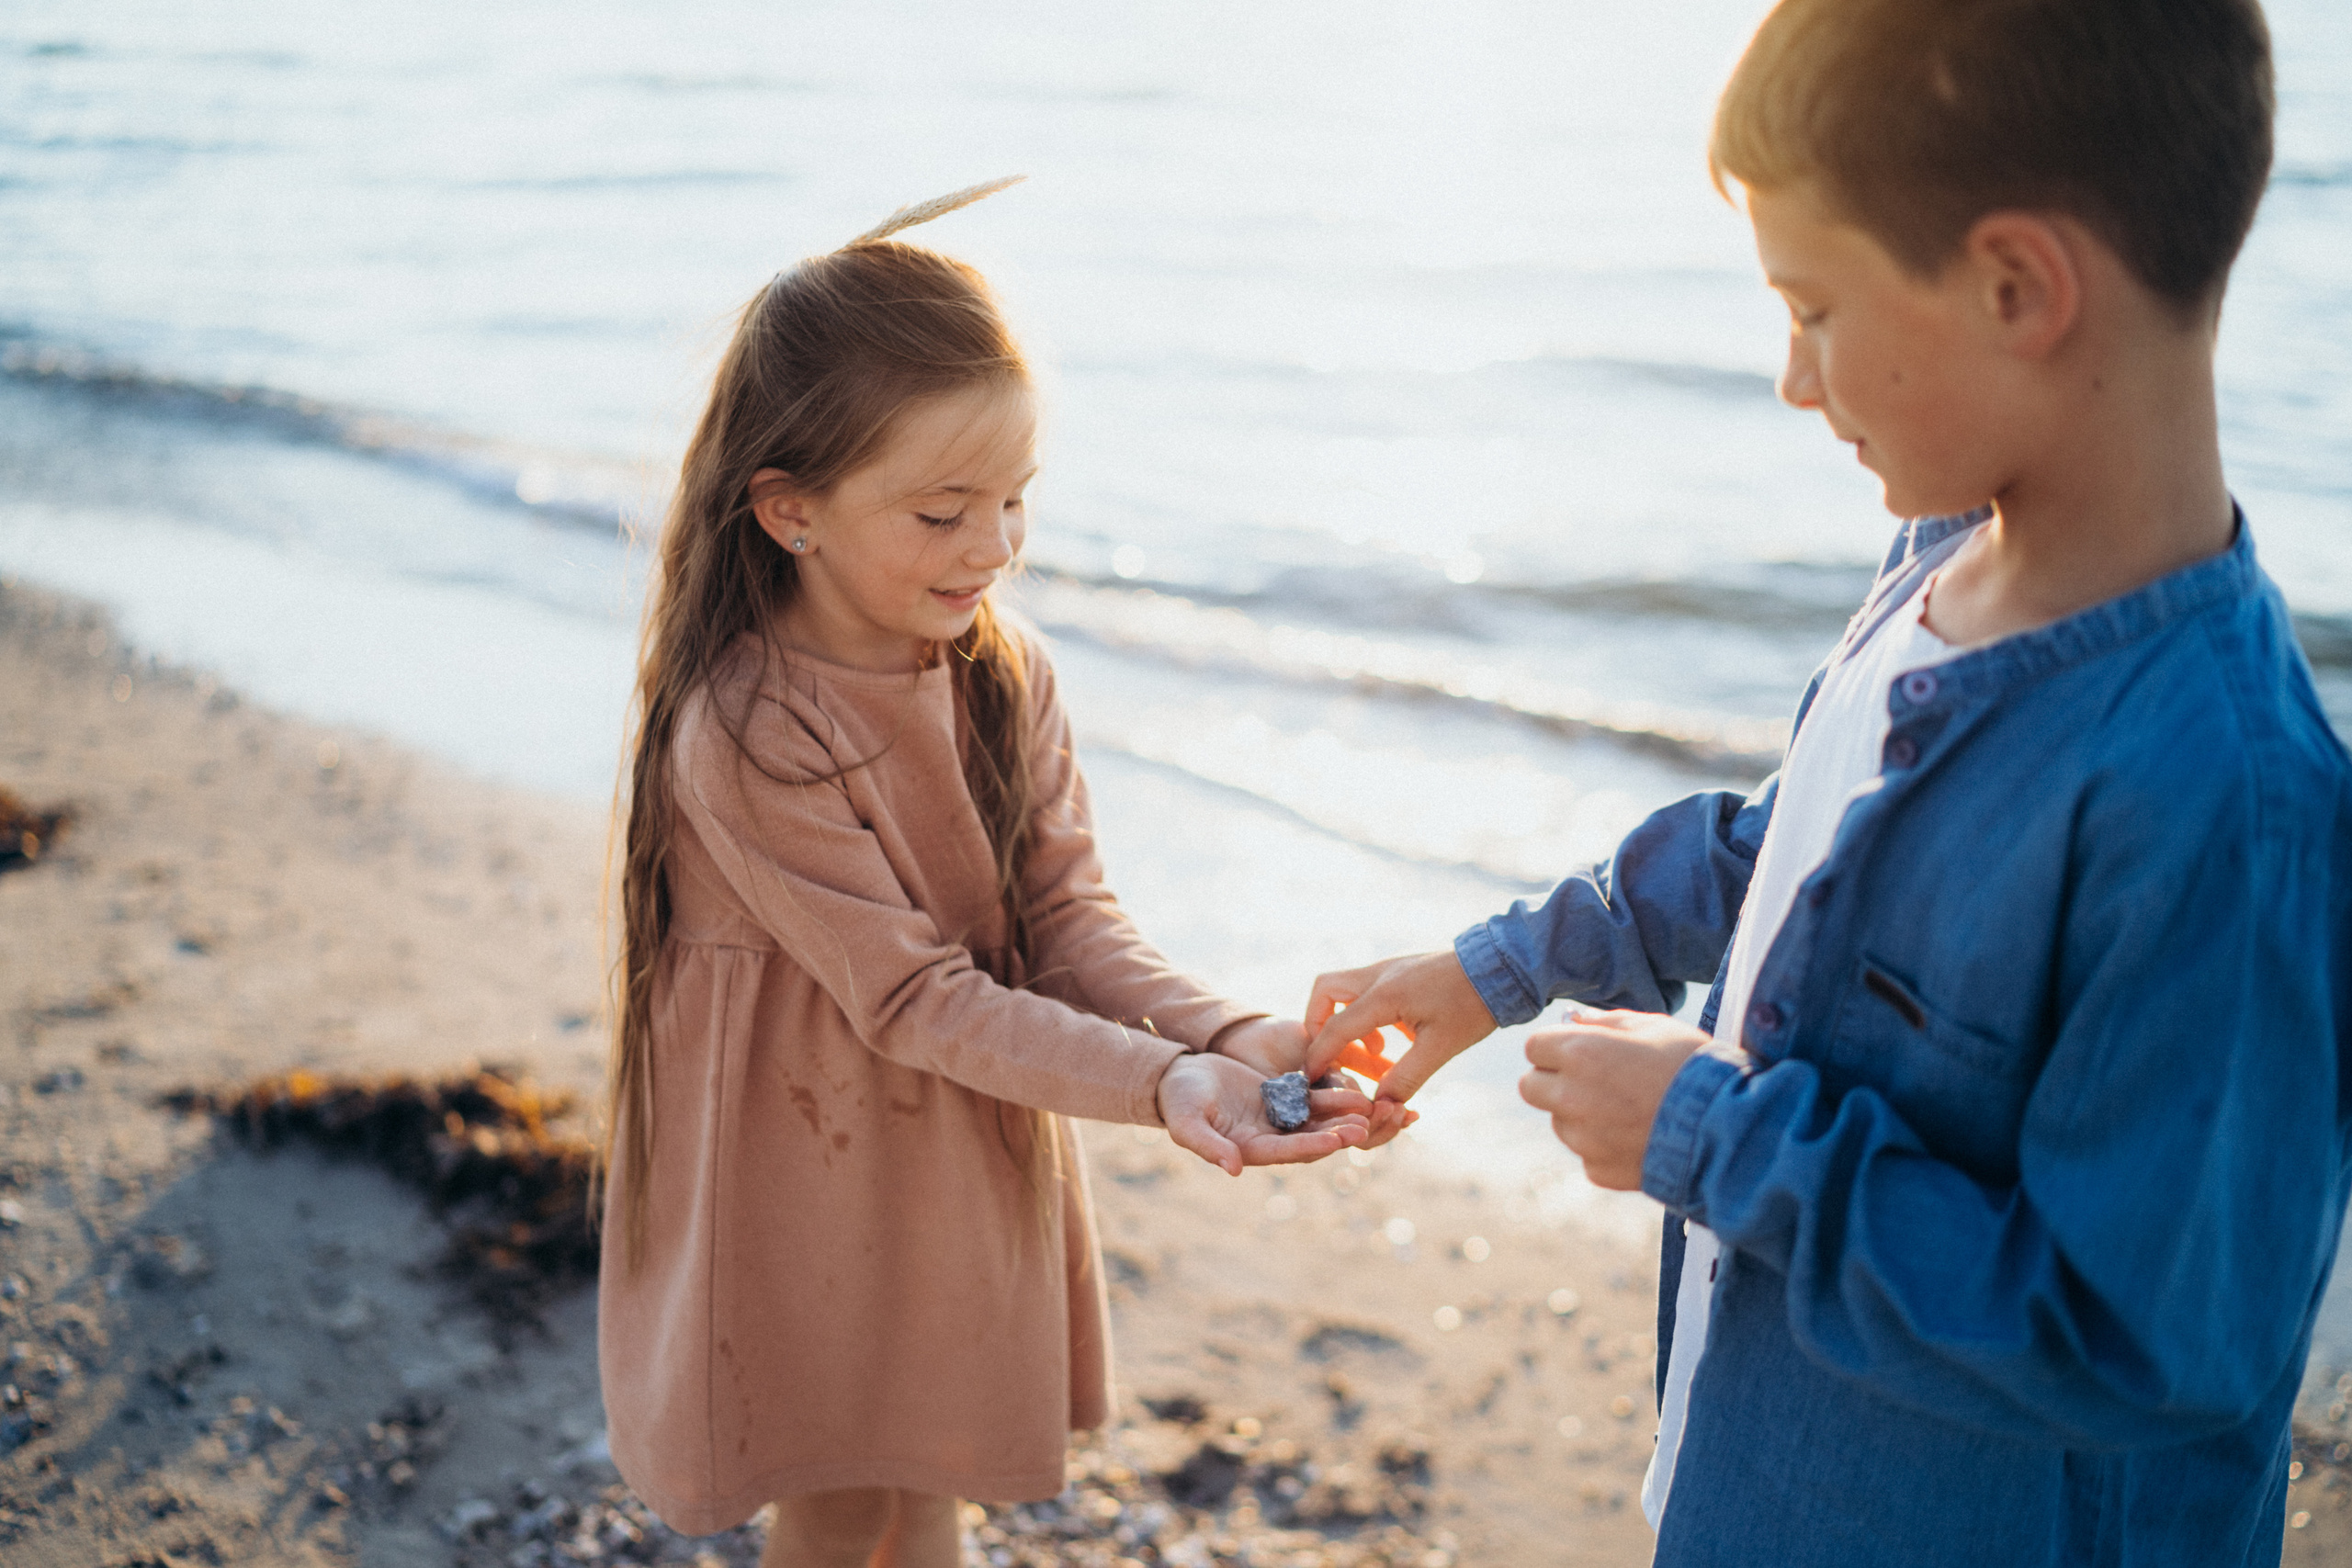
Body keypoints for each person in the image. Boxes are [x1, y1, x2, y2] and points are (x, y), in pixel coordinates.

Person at [1303, 1, 2351, 1562]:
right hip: (1766, 1486)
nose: (1793, 380)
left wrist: (1711, 1139)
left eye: (1812, 308)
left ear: (2017, 288)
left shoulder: (2224, 803)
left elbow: (2146, 1338)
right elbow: (1793, 855)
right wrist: (1493, 972)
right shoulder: (1944, 556)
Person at [598, 182, 1395, 1567]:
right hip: (803, 1165)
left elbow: (1071, 922)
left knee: (931, 1469)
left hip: (957, 1142)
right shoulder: (748, 727)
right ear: (790, 511)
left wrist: (1228, 1036)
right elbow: (911, 996)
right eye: (942, 511)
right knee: (840, 1494)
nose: (994, 547)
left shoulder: (1002, 675)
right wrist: (1161, 1085)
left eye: (1017, 498)